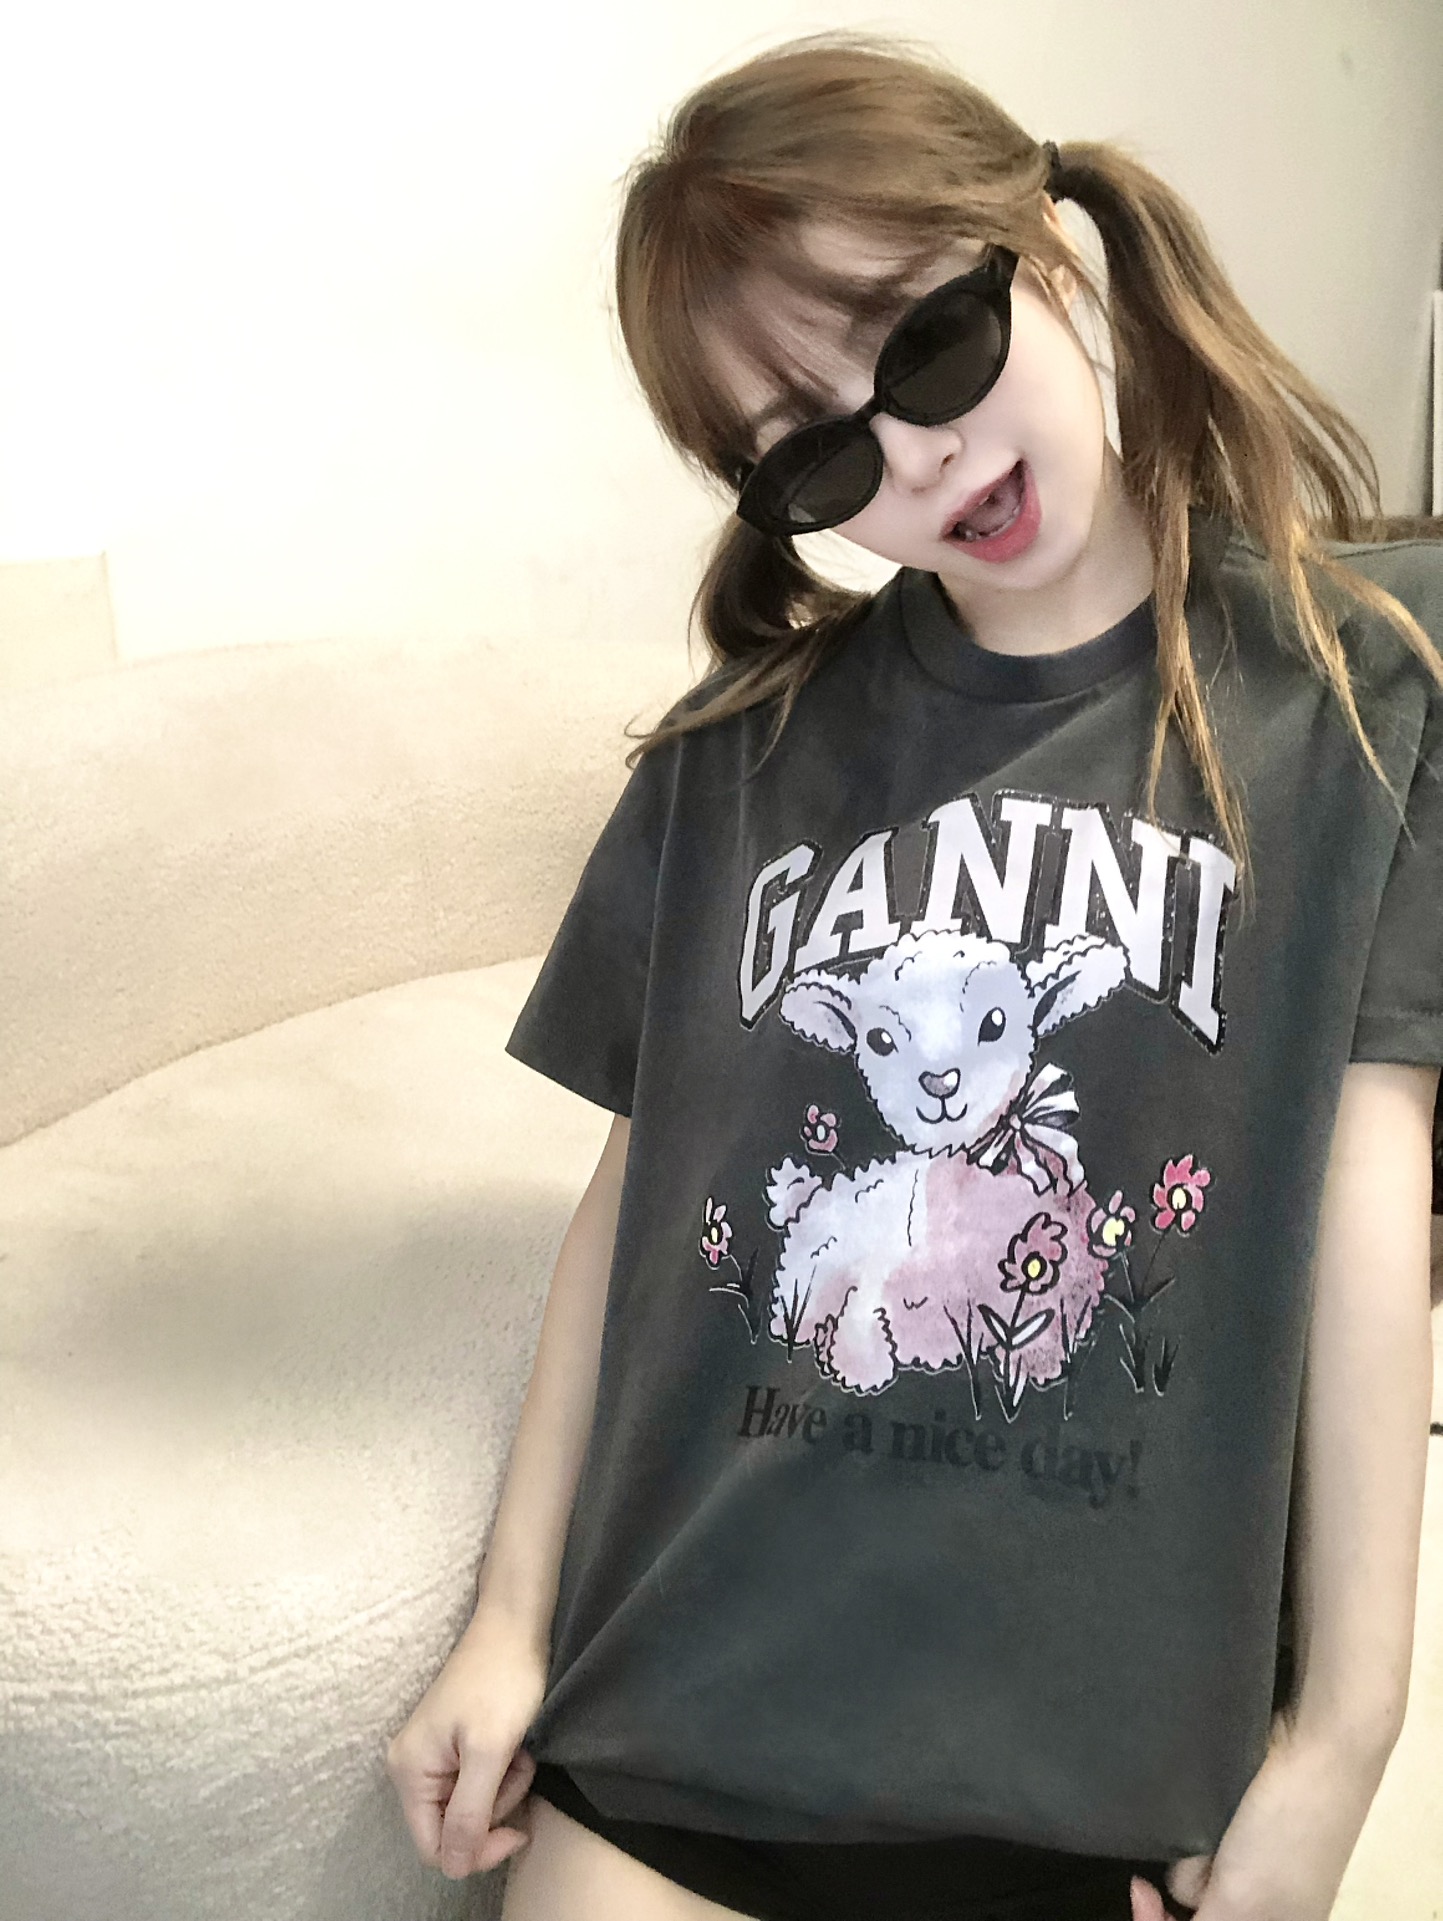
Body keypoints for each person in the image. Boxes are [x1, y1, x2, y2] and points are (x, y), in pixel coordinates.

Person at [385, 33, 1443, 1921]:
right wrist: (509, 1619)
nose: (919, 455)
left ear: (1048, 247)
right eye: (818, 453)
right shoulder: (732, 759)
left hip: (1106, 1782)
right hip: (688, 1716)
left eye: (931, 344)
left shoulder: (1367, 688)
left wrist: (1344, 1737)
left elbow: (1369, 1207)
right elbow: (638, 1204)